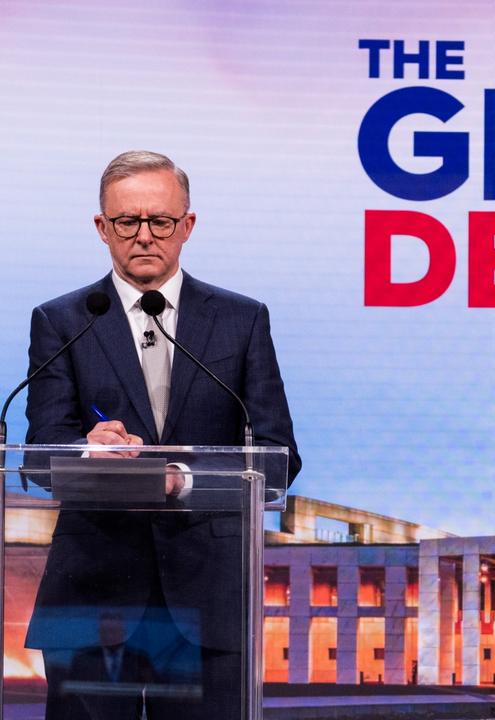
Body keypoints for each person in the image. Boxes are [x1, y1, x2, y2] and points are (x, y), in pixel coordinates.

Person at [24, 150, 301, 719]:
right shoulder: (62, 321)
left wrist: (181, 480)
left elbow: (277, 455)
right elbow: (38, 456)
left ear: (187, 226)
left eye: (161, 221)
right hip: (93, 596)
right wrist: (87, 450)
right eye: (127, 222)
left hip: (208, 600)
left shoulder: (241, 320)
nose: (144, 236)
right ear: (102, 229)